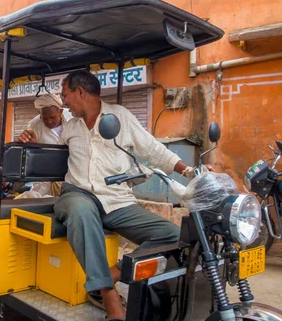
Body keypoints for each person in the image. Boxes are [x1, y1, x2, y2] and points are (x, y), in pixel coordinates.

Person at [18, 70, 204, 320]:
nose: (64, 103)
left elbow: (152, 150)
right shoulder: (70, 127)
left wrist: (191, 171)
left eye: (65, 96)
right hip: (77, 194)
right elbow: (49, 155)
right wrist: (28, 144)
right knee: (82, 213)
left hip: (116, 200)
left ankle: (113, 273)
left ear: (80, 92)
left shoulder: (120, 117)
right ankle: (109, 297)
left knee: (173, 235)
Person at [17, 94, 71, 196]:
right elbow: (30, 153)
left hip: (71, 174)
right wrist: (32, 145)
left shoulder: (73, 118)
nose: (49, 121)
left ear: (61, 111)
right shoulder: (34, 125)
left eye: (52, 117)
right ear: (39, 114)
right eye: (44, 118)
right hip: (46, 176)